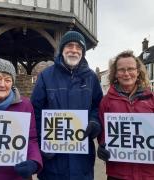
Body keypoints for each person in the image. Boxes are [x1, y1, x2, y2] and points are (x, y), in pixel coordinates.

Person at [31, 30, 103, 180]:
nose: (74, 50)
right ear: (62, 49)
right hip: (53, 161)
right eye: (70, 45)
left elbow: (98, 106)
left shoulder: (92, 78)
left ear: (83, 52)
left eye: (79, 47)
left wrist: (94, 122)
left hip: (82, 160)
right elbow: (35, 113)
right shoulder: (46, 76)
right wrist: (41, 144)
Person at [0, 58, 43, 180]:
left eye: (7, 80)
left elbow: (31, 139)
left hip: (13, 175)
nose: (2, 84)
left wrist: (33, 161)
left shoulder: (25, 105)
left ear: (12, 83)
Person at [97, 50, 154, 180]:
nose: (126, 73)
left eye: (130, 69)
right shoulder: (106, 102)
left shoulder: (151, 99)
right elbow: (102, 134)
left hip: (148, 174)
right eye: (122, 70)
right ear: (116, 74)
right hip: (118, 173)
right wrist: (102, 147)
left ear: (138, 72)